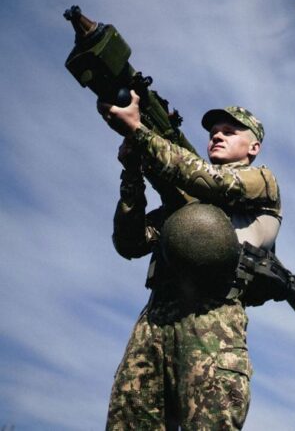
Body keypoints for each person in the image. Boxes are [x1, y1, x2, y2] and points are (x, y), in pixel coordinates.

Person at [97, 91, 281, 429]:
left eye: (230, 131)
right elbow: (130, 242)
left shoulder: (262, 183)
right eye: (214, 131)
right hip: (153, 325)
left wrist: (139, 132)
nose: (218, 135)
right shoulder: (186, 204)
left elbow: (210, 181)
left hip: (213, 326)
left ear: (253, 147)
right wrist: (132, 176)